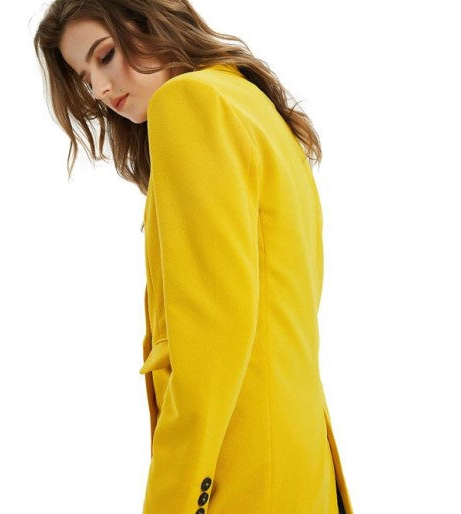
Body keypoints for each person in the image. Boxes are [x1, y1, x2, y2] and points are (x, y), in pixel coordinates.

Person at [33, 1, 354, 513]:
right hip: (301, 459)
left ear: (153, 21)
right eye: (85, 78)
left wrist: (175, 499)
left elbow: (212, 334)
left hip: (239, 473)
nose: (100, 89)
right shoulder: (251, 104)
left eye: (106, 55)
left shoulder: (187, 102)